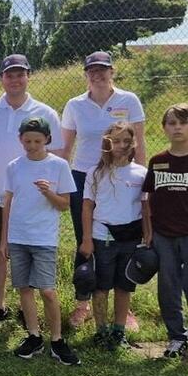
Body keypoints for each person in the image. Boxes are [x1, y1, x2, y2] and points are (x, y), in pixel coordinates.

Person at [0, 54, 62, 326]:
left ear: (28, 76)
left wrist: (50, 191)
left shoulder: (46, 113)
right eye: (9, 75)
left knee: (29, 251)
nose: (15, 80)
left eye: (20, 74)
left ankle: (27, 308)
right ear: (1, 78)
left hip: (30, 198)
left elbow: (57, 156)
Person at [61, 51, 146, 330]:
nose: (98, 74)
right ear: (86, 74)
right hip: (83, 177)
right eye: (92, 70)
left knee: (125, 238)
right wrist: (61, 183)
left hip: (121, 177)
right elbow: (66, 148)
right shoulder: (75, 105)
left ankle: (124, 308)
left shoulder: (128, 100)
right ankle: (82, 304)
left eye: (103, 69)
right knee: (86, 241)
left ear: (112, 71)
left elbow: (139, 142)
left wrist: (143, 183)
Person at [2, 117, 80, 366]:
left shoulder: (59, 165)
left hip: (44, 238)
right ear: (20, 140)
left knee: (47, 290)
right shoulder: (14, 166)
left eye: (37, 141)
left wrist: (48, 193)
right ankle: (34, 336)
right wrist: (4, 239)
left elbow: (65, 205)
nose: (32, 145)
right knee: (24, 288)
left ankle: (57, 340)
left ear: (47, 139)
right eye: (27, 141)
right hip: (18, 236)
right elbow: (8, 203)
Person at [142, 104, 188, 364]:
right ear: (164, 128)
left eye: (183, 122)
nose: (178, 127)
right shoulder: (158, 161)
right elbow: (147, 199)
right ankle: (176, 338)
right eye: (172, 123)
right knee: (168, 288)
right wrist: (148, 232)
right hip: (165, 235)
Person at [79, 122, 147, 351]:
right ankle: (101, 331)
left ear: (133, 143)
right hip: (103, 237)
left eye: (127, 141)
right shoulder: (96, 173)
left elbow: (145, 207)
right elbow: (87, 206)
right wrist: (87, 239)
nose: (121, 145)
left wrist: (147, 235)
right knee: (101, 286)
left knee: (124, 286)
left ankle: (119, 331)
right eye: (116, 141)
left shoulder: (141, 173)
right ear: (107, 143)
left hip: (130, 238)